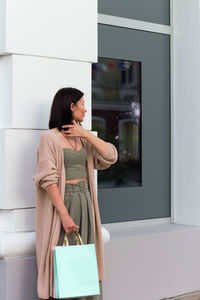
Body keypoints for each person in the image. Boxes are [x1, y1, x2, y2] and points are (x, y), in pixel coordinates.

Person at [32, 87, 118, 300]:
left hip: (86, 201)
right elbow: (47, 179)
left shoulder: (83, 138)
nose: (85, 110)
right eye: (82, 105)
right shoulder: (49, 138)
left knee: (84, 256)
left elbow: (110, 156)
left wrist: (86, 134)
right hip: (63, 203)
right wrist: (64, 214)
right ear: (71, 106)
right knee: (63, 257)